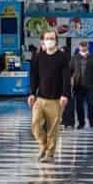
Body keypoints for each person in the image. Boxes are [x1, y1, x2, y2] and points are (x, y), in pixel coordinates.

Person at [28, 28, 71, 162]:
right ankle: (43, 144)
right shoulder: (38, 56)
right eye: (47, 38)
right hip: (40, 97)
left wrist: (65, 94)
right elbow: (34, 75)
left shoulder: (62, 57)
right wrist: (31, 93)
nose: (49, 41)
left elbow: (66, 77)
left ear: (56, 41)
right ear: (43, 41)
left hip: (56, 99)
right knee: (35, 124)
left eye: (52, 38)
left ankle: (49, 154)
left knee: (53, 128)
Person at [71, 41, 93, 129]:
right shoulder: (75, 57)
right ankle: (81, 122)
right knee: (79, 105)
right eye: (81, 46)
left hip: (91, 85)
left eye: (85, 46)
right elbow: (70, 69)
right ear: (79, 47)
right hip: (78, 86)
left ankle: (91, 119)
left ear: (87, 47)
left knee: (91, 104)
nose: (83, 48)